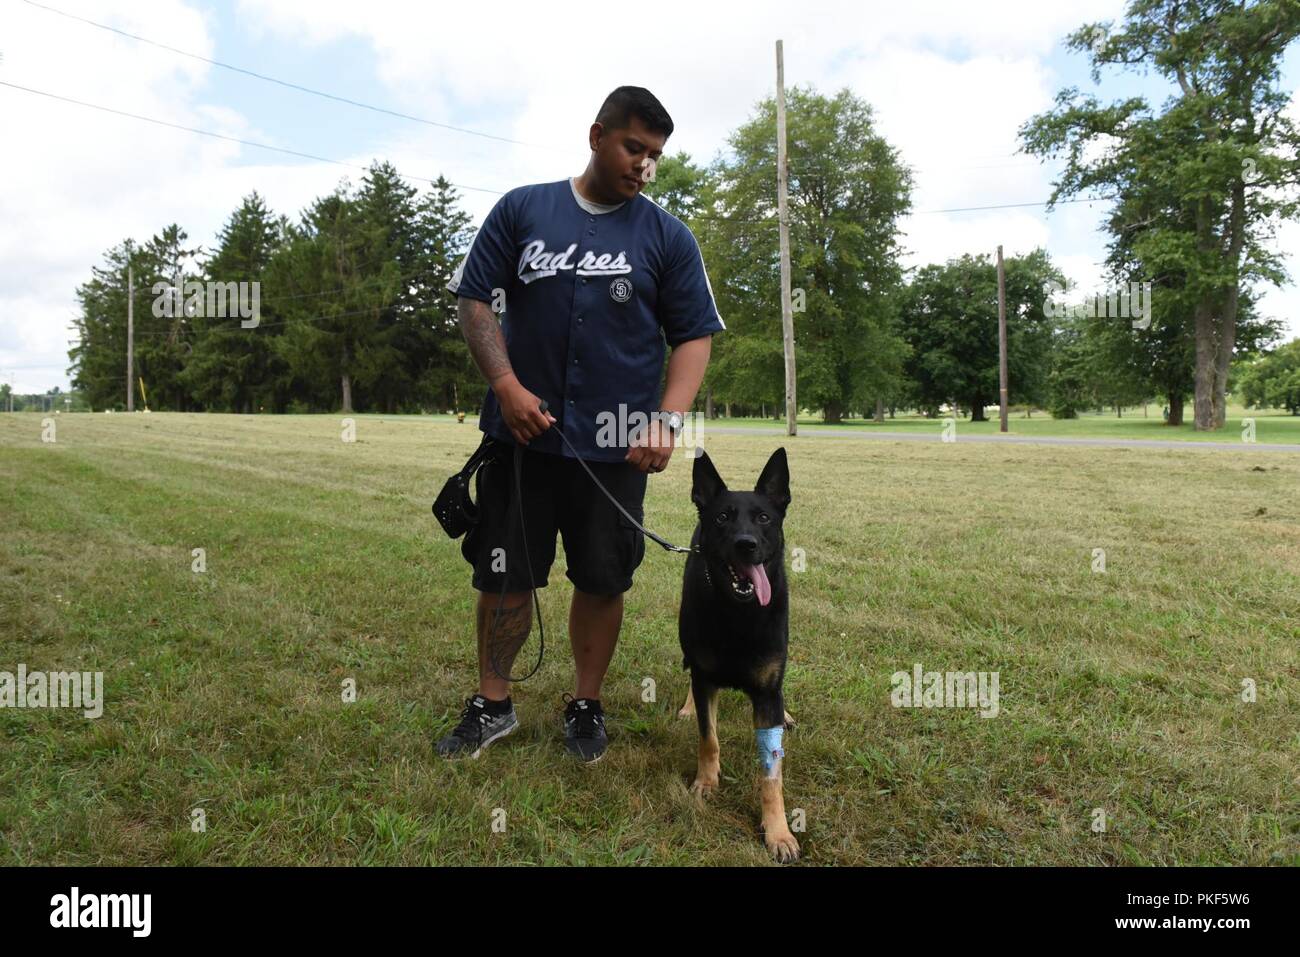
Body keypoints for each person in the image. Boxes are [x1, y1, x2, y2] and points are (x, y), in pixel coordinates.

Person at [437, 86, 724, 763]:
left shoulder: (667, 236)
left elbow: (694, 336)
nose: (644, 167)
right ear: (597, 135)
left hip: (617, 449)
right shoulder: (522, 209)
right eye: (634, 148)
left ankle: (585, 702)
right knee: (503, 573)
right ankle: (493, 703)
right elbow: (474, 301)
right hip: (521, 439)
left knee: (603, 577)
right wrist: (504, 385)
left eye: (655, 156)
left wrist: (668, 418)